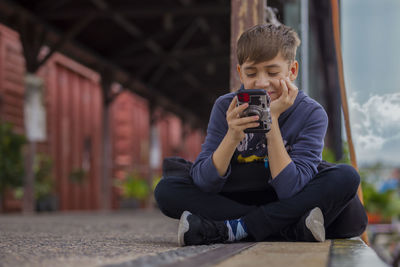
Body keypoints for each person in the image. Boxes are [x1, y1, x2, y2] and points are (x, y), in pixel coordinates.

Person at [154, 23, 367, 246]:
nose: (262, 82)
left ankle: (233, 228)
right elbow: (205, 183)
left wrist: (271, 121)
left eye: (273, 72)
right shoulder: (225, 106)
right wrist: (232, 136)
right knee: (167, 190)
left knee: (345, 177)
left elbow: (289, 190)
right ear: (240, 72)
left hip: (288, 196)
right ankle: (291, 229)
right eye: (251, 72)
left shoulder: (311, 112)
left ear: (292, 71)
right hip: (244, 194)